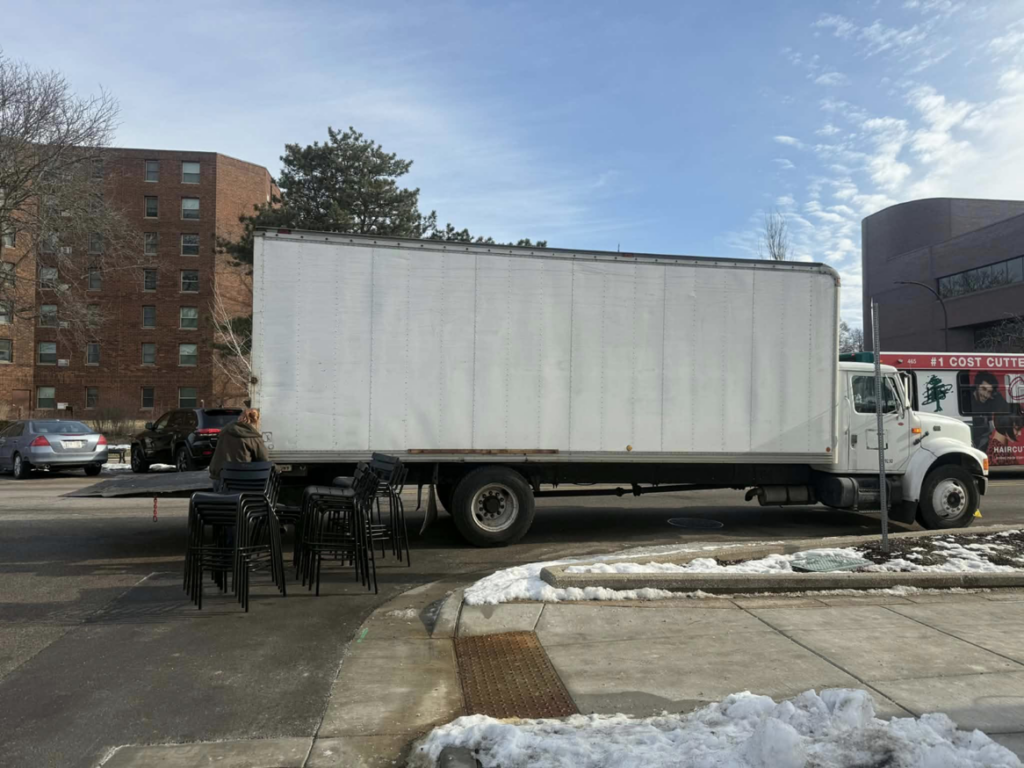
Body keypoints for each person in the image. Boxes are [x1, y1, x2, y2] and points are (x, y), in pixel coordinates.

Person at [209, 408, 269, 492]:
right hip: (241, 481)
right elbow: (264, 460)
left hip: (219, 477)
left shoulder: (225, 431)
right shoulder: (253, 437)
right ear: (256, 421)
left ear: (240, 417)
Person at [967, 371, 1009, 451]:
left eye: (989, 392)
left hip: (983, 441)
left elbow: (1007, 408)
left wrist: (997, 395)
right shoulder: (967, 399)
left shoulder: (990, 401)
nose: (986, 395)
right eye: (983, 389)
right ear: (977, 386)